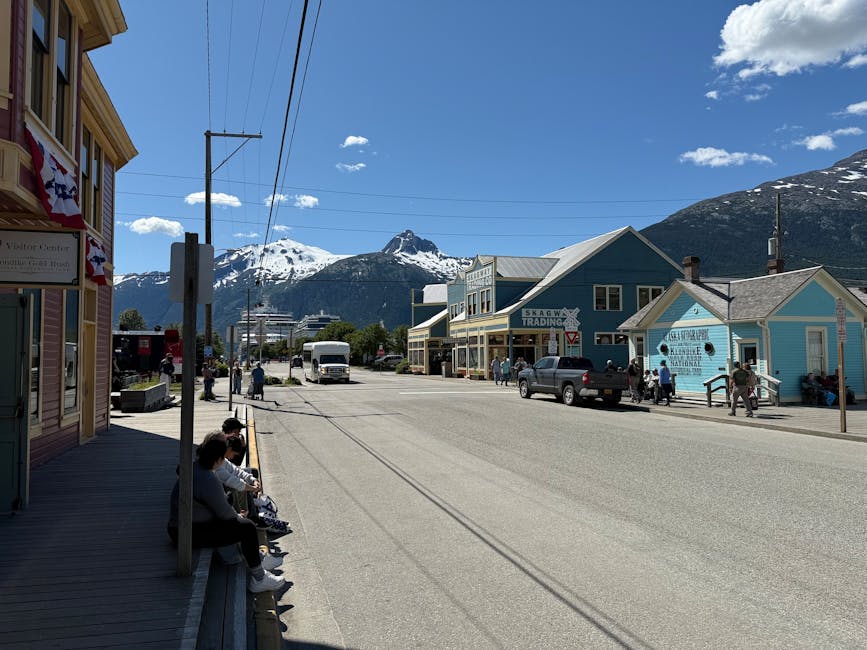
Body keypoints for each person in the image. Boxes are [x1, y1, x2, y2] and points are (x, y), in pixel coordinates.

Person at [167, 435, 285, 593]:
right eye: (223, 458)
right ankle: (259, 578)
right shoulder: (208, 478)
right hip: (187, 532)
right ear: (217, 459)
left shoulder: (197, 467)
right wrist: (239, 517)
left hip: (182, 527)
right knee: (247, 528)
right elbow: (225, 514)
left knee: (238, 520)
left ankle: (259, 559)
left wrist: (235, 515)